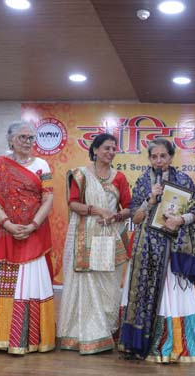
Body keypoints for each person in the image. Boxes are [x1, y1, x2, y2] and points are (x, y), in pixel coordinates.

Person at [119, 138, 195, 363]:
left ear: (171, 157)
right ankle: (144, 344)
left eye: (163, 156)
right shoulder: (143, 182)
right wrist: (150, 199)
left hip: (175, 246)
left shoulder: (183, 180)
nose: (159, 161)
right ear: (149, 159)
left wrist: (180, 220)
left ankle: (176, 344)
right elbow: (136, 218)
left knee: (174, 296)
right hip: (147, 248)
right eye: (154, 156)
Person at [0, 121, 55, 355]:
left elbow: (48, 198)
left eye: (31, 138)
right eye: (22, 137)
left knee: (29, 281)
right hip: (3, 230)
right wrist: (7, 223)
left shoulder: (42, 165)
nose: (28, 142)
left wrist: (33, 225)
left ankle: (26, 338)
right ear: (10, 140)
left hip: (33, 231)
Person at [57, 133, 131, 354]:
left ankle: (105, 331)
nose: (111, 152)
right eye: (106, 148)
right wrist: (98, 210)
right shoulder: (81, 175)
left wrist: (115, 216)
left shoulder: (119, 177)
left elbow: (128, 208)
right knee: (85, 283)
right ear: (95, 150)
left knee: (107, 286)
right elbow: (73, 204)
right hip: (84, 236)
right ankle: (80, 335)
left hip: (107, 238)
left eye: (114, 149)